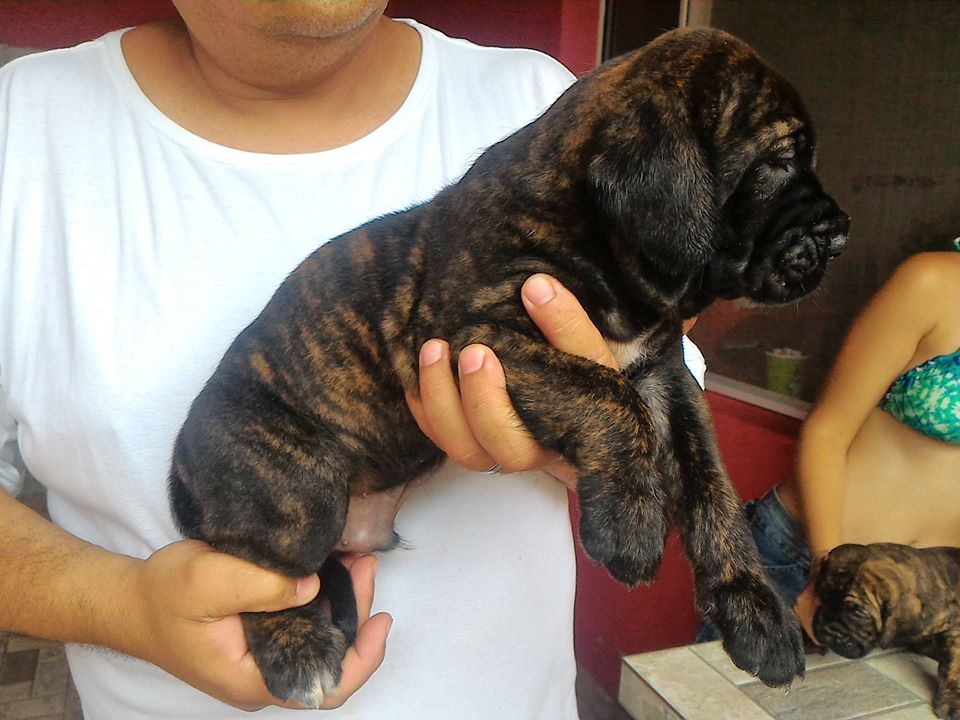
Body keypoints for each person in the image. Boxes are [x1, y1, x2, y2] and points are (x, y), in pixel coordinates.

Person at [0, 3, 707, 719]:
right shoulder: (21, 128)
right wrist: (124, 608)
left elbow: (669, 389)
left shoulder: (543, 100)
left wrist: (612, 433)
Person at [702, 243, 960, 644]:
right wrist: (828, 579)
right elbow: (828, 430)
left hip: (925, 597)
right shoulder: (935, 282)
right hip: (811, 558)